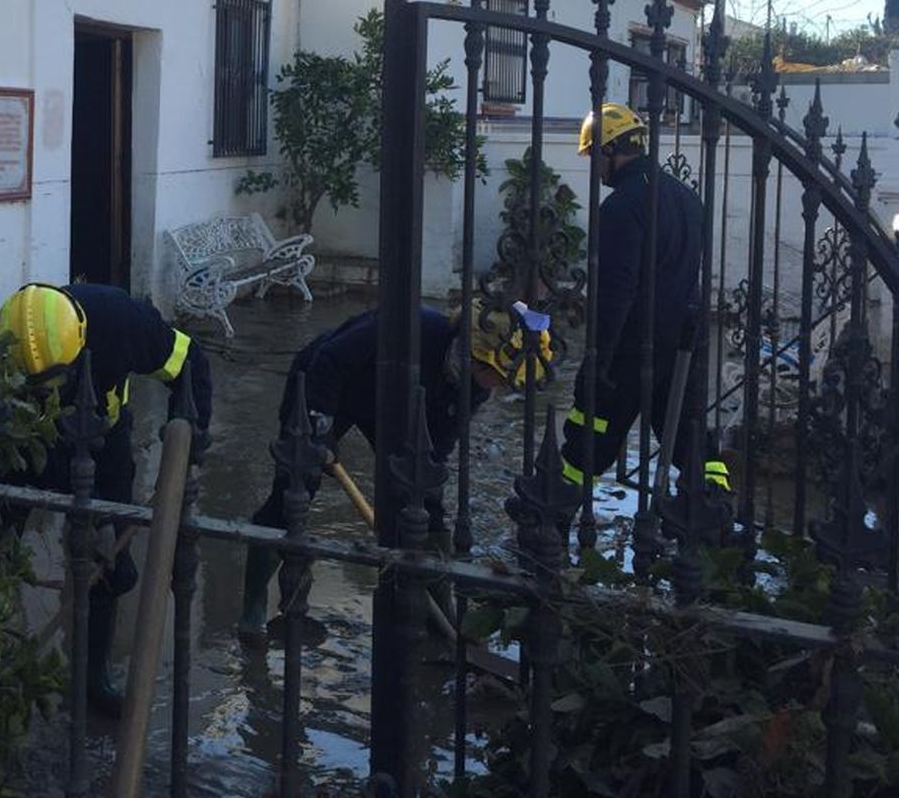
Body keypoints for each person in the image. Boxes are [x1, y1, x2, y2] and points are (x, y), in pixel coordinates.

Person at [237, 299, 549, 641]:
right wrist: (320, 426)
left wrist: (421, 486)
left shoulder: (473, 387)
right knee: (295, 487)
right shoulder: (408, 328)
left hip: (396, 411)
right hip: (330, 385)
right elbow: (331, 360)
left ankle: (438, 619)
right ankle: (253, 606)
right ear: (474, 355)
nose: (501, 386)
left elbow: (437, 449)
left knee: (425, 502)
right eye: (500, 377)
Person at [0, 281, 211, 714]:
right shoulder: (11, 344)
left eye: (58, 381)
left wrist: (184, 445)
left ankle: (93, 679)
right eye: (39, 385)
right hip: (29, 438)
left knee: (108, 559)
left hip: (103, 441)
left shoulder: (122, 321)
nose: (51, 392)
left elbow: (191, 362)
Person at [560, 102, 729, 530]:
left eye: (594, 157)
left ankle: (547, 521)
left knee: (587, 439)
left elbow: (616, 293)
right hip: (685, 345)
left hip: (632, 349)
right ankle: (716, 523)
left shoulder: (621, 208)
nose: (595, 170)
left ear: (610, 150)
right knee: (690, 440)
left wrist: (596, 360)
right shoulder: (688, 199)